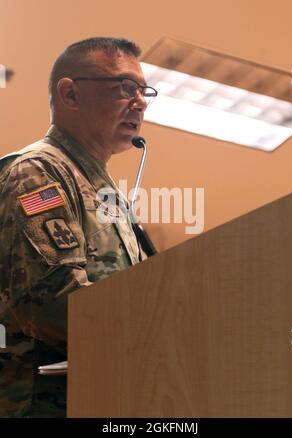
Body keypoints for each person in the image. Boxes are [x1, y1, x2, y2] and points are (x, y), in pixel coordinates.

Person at [0, 37, 157, 418]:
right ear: (70, 94)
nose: (140, 102)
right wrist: (156, 336)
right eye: (125, 87)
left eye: (144, 90)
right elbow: (51, 301)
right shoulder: (36, 172)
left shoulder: (106, 195)